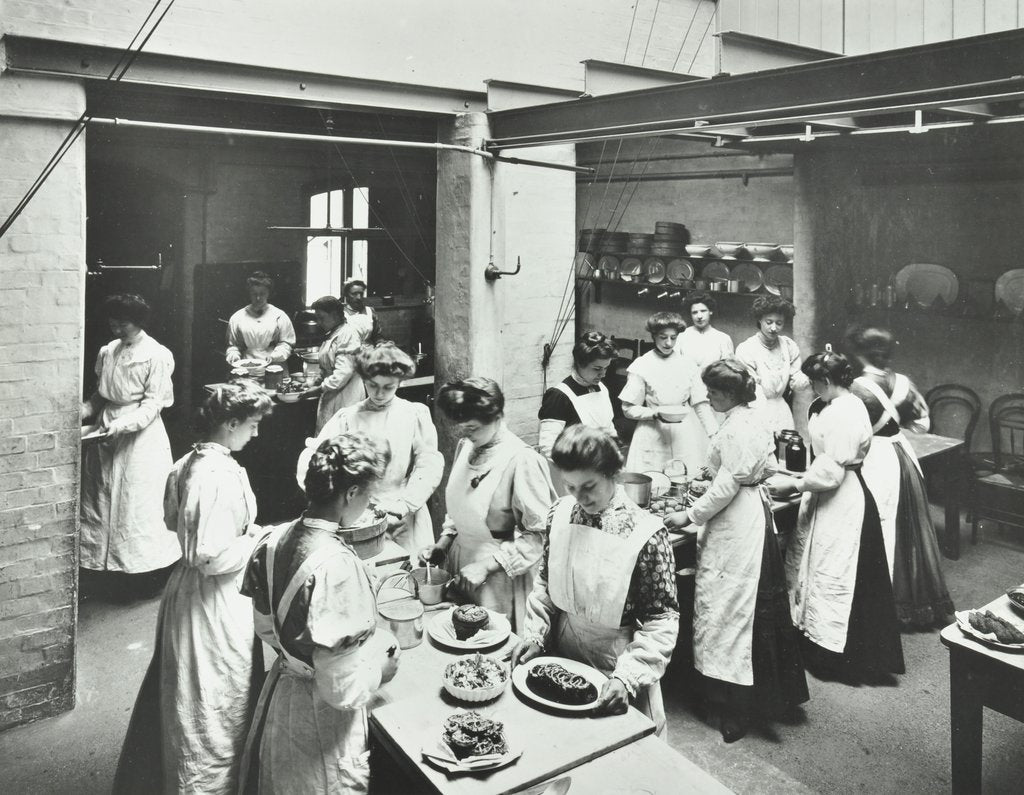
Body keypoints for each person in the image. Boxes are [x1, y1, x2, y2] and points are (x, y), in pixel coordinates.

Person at [114, 382, 273, 794]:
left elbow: (174, 521)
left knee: (187, 696)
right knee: (213, 707)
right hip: (213, 602)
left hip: (185, 592)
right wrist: (257, 539)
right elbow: (213, 557)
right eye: (252, 425)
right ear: (231, 423)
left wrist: (238, 532)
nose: (256, 434)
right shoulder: (215, 475)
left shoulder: (188, 462)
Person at [239, 432, 400, 794]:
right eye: (368, 495)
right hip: (324, 722)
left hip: (285, 697)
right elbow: (341, 692)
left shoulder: (272, 540)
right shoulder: (338, 565)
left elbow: (266, 628)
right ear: (351, 494)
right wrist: (378, 670)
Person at [664, 360, 807, 742]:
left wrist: (688, 515)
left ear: (729, 394)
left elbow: (727, 487)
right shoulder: (751, 417)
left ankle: (734, 707)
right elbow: (767, 464)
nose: (708, 397)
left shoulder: (737, 427)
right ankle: (737, 697)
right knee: (737, 609)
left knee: (729, 612)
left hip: (736, 525)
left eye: (713, 392)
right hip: (749, 514)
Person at [512, 425, 679, 737]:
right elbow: (546, 584)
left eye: (589, 486)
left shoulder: (647, 534)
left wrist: (626, 678)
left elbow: (662, 620)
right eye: (571, 487)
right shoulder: (559, 514)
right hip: (560, 650)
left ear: (614, 474)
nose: (580, 497)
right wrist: (535, 636)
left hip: (615, 661)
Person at [773, 349, 904, 681]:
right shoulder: (844, 404)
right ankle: (818, 642)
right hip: (831, 495)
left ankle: (841, 655)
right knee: (817, 567)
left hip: (842, 498)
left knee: (837, 573)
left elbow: (832, 472)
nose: (815, 391)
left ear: (827, 381)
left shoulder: (843, 412)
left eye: (816, 385)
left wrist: (795, 486)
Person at [419, 378, 556, 631]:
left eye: (472, 427)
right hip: (462, 566)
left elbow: (539, 536)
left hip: (501, 579)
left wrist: (486, 566)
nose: (465, 434)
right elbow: (462, 504)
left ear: (497, 416)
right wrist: (444, 543)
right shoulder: (466, 446)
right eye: (461, 427)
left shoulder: (521, 460)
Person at [846, 326, 955, 628]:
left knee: (874, 526)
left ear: (859, 353)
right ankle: (916, 602)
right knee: (908, 528)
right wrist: (896, 424)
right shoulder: (905, 383)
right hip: (901, 456)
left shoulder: (856, 387)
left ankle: (879, 604)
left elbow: (851, 433)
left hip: (871, 459)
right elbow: (921, 425)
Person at [296, 341, 443, 558]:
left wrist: (406, 504)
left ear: (400, 383)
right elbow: (313, 457)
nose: (380, 393)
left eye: (388, 387)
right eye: (373, 385)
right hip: (359, 517)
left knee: (404, 577)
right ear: (364, 379)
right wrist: (335, 502)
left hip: (404, 514)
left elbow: (428, 464)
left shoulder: (413, 415)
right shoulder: (347, 418)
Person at [80, 294, 180, 577]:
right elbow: (101, 394)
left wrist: (123, 425)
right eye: (113, 322)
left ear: (137, 322)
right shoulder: (108, 350)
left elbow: (152, 405)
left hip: (140, 438)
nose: (116, 329)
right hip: (105, 428)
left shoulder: (157, 354)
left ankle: (141, 572)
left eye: (122, 323)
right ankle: (103, 565)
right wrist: (87, 409)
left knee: (135, 503)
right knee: (101, 496)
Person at [619, 311, 718, 475]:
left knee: (683, 477)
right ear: (653, 336)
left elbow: (701, 404)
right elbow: (627, 408)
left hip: (682, 430)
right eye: (663, 337)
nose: (668, 343)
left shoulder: (687, 364)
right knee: (651, 480)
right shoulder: (642, 364)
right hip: (651, 431)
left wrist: (714, 433)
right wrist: (654, 414)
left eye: (673, 337)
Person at [735, 295, 812, 439]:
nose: (774, 328)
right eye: (769, 322)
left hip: (781, 410)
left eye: (779, 323)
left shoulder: (788, 346)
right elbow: (751, 388)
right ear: (759, 320)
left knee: (784, 454)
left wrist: (810, 376)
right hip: (756, 409)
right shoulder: (746, 349)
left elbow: (796, 382)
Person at [537, 330, 618, 457]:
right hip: (574, 470)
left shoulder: (601, 388)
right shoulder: (559, 396)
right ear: (580, 363)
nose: (603, 374)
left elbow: (609, 427)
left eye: (606, 368)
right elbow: (548, 448)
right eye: (597, 369)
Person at [305, 295, 364, 433]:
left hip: (347, 394)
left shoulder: (347, 334)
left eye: (321, 318)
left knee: (342, 435)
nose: (319, 322)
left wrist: (319, 388)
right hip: (333, 392)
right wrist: (312, 383)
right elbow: (326, 368)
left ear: (335, 315)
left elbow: (343, 373)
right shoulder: (333, 333)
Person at [225, 271, 296, 366]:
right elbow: (233, 346)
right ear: (249, 294)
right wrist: (234, 356)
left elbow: (286, 343)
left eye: (262, 294)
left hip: (273, 365)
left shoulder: (279, 316)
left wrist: (274, 356)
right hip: (247, 365)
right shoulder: (237, 317)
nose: (258, 298)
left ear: (269, 294)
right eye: (254, 294)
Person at [674, 292, 734, 370]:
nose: (699, 316)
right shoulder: (681, 336)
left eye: (703, 311)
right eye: (695, 312)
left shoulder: (723, 338)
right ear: (690, 314)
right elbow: (675, 366)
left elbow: (728, 371)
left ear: (710, 311)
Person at [343, 279, 381, 344]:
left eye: (361, 293)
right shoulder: (341, 313)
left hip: (368, 349)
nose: (359, 297)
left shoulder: (370, 311)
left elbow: (377, 335)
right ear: (346, 295)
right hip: (347, 351)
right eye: (354, 294)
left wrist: (381, 344)